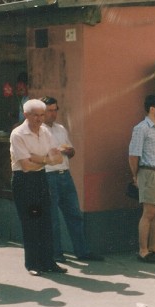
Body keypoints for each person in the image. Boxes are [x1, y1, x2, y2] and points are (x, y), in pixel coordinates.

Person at [41, 96, 103, 263]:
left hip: (64, 174)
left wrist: (69, 151)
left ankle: (82, 251)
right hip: (48, 175)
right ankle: (56, 254)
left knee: (74, 214)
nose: (53, 114)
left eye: (55, 110)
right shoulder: (38, 130)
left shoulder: (61, 128)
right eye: (49, 111)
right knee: (53, 217)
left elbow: (71, 151)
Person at [10, 99, 67, 275]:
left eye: (42, 115)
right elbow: (26, 166)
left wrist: (38, 159)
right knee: (30, 222)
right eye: (36, 115)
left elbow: (58, 159)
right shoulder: (18, 134)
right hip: (24, 181)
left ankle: (49, 262)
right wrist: (45, 160)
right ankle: (33, 264)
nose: (40, 119)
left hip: (41, 178)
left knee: (46, 221)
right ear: (26, 115)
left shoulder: (45, 132)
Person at [128, 94, 155, 264]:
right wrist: (135, 176)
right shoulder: (141, 128)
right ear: (152, 109)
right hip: (149, 173)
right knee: (149, 212)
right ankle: (143, 251)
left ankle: (154, 247)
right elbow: (133, 155)